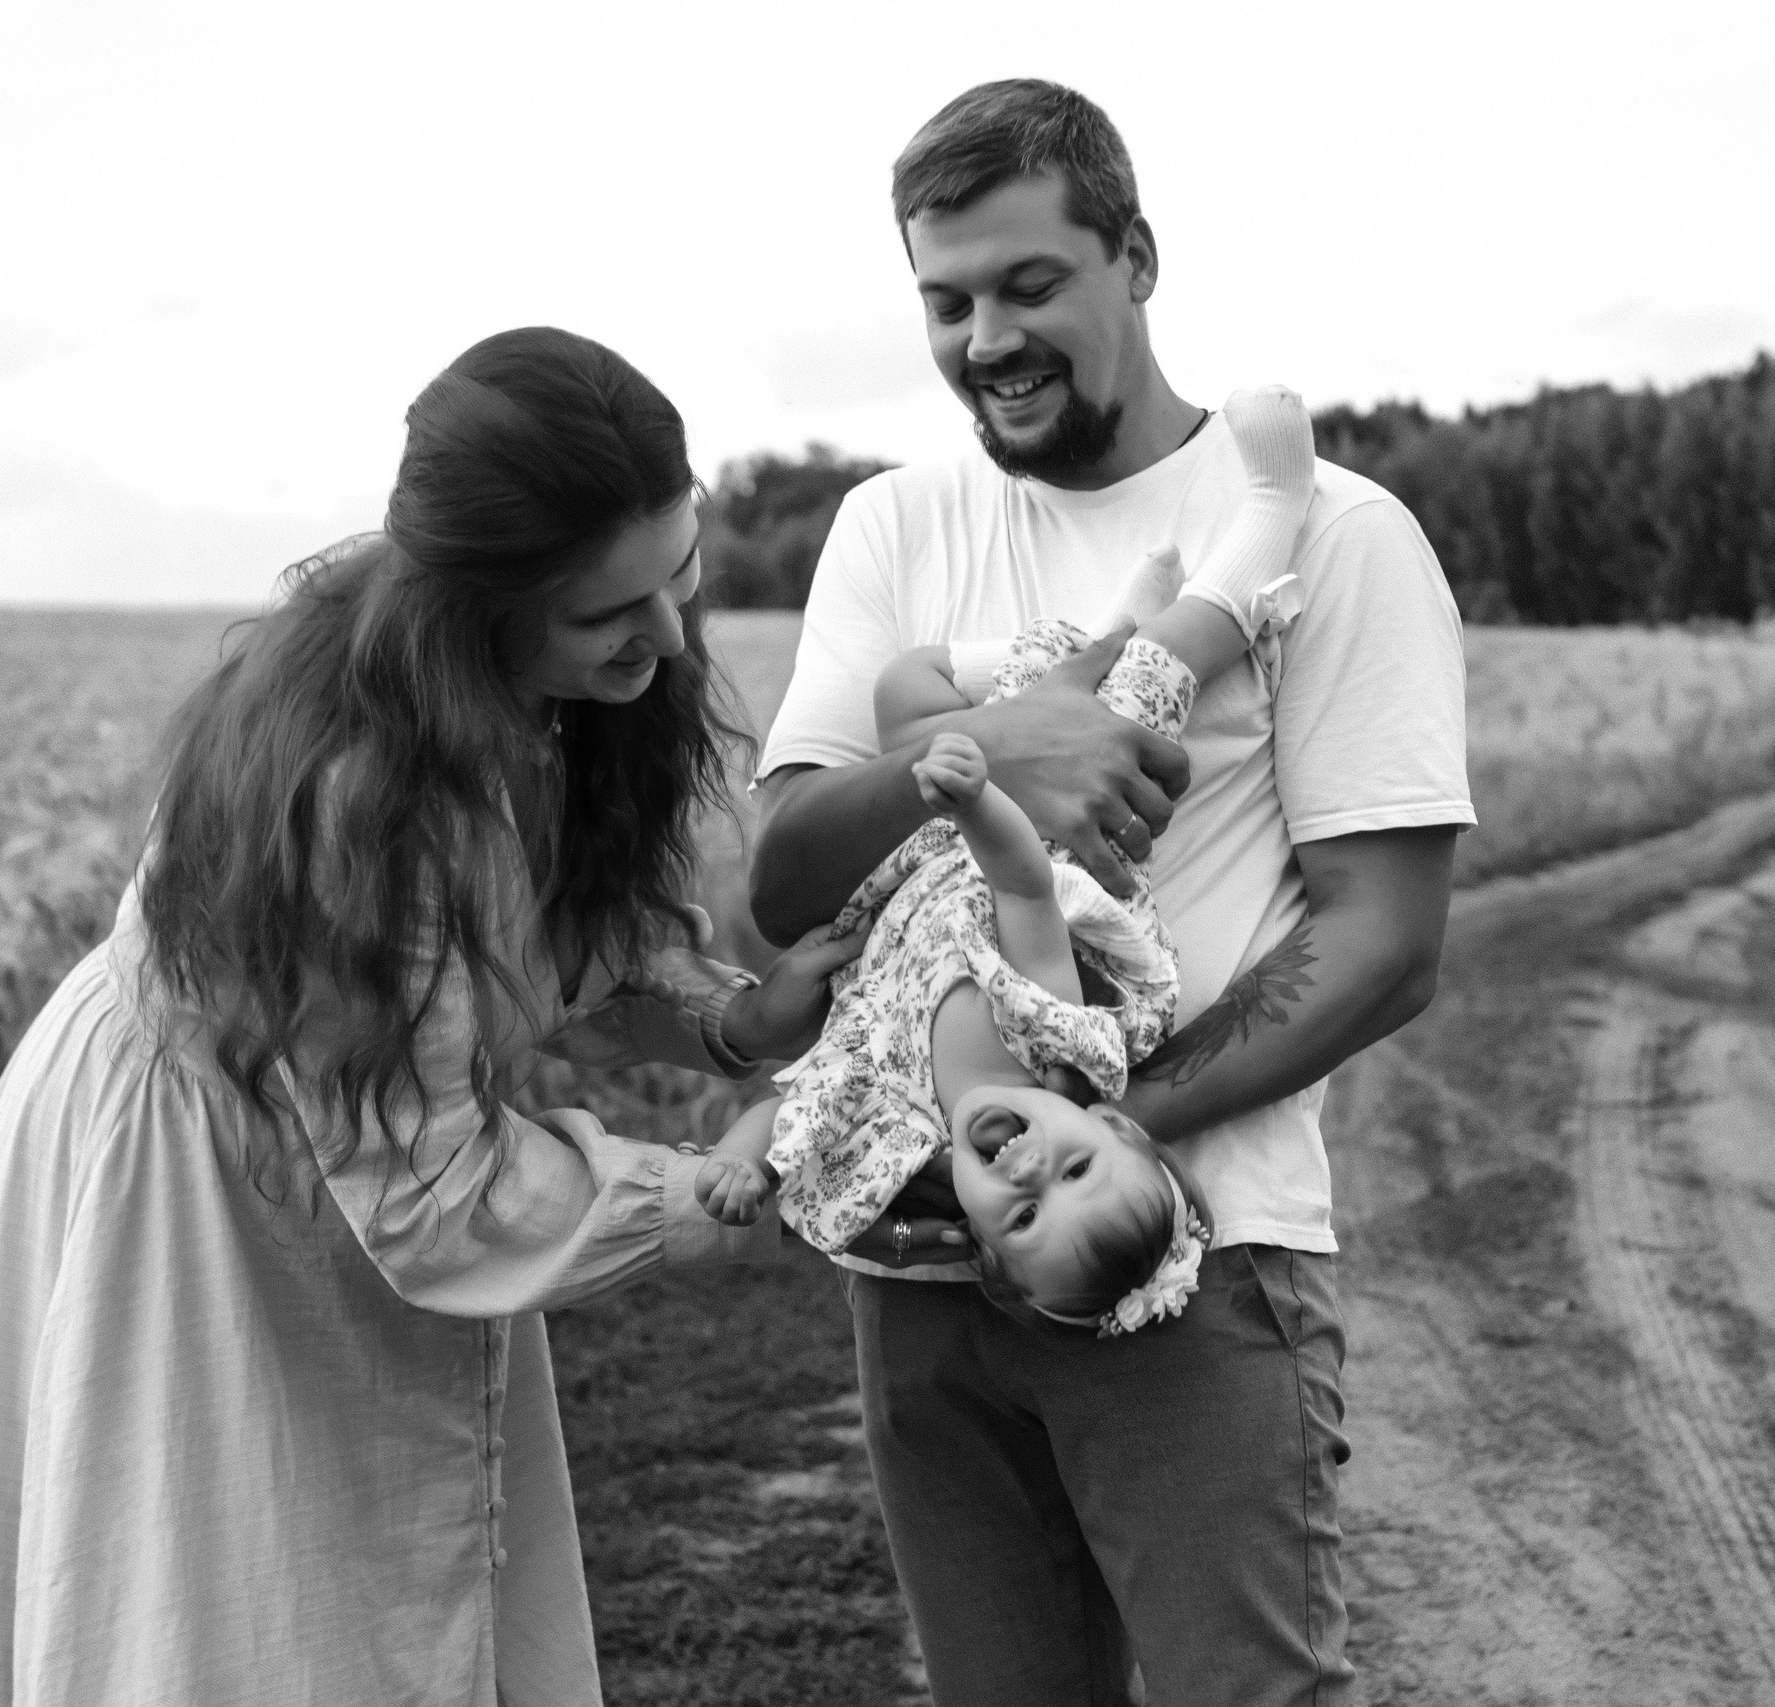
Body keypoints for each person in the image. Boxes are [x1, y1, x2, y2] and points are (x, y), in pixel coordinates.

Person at [0, 327, 857, 1707]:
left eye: (683, 578)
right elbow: (436, 1203)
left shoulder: (530, 698)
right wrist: (709, 1192)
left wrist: (738, 1021)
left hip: (333, 1137)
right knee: (236, 1609)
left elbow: (537, 959)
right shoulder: (370, 788)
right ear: (479, 607)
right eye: (610, 613)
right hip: (191, 1170)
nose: (663, 638)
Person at [750, 81, 1477, 1707]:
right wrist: (997, 738)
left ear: (1135, 258)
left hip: (1194, 1255)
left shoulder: (1338, 537)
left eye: (1028, 285)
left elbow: (1385, 941)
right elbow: (783, 881)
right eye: (945, 300)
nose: (984, 336)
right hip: (924, 1273)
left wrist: (1097, 1129)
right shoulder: (895, 525)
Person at [696, 386, 1313, 1337]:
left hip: (923, 835)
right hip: (1047, 815)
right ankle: (1266, 517)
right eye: (1077, 1168)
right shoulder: (1055, 1048)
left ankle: (1078, 647)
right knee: (1162, 666)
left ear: (981, 1246)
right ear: (1112, 1124)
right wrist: (985, 790)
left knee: (902, 687)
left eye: (1023, 1213)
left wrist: (746, 1164)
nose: (1030, 1170)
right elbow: (1026, 884)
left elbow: (801, 1102)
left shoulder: (900, 1121)